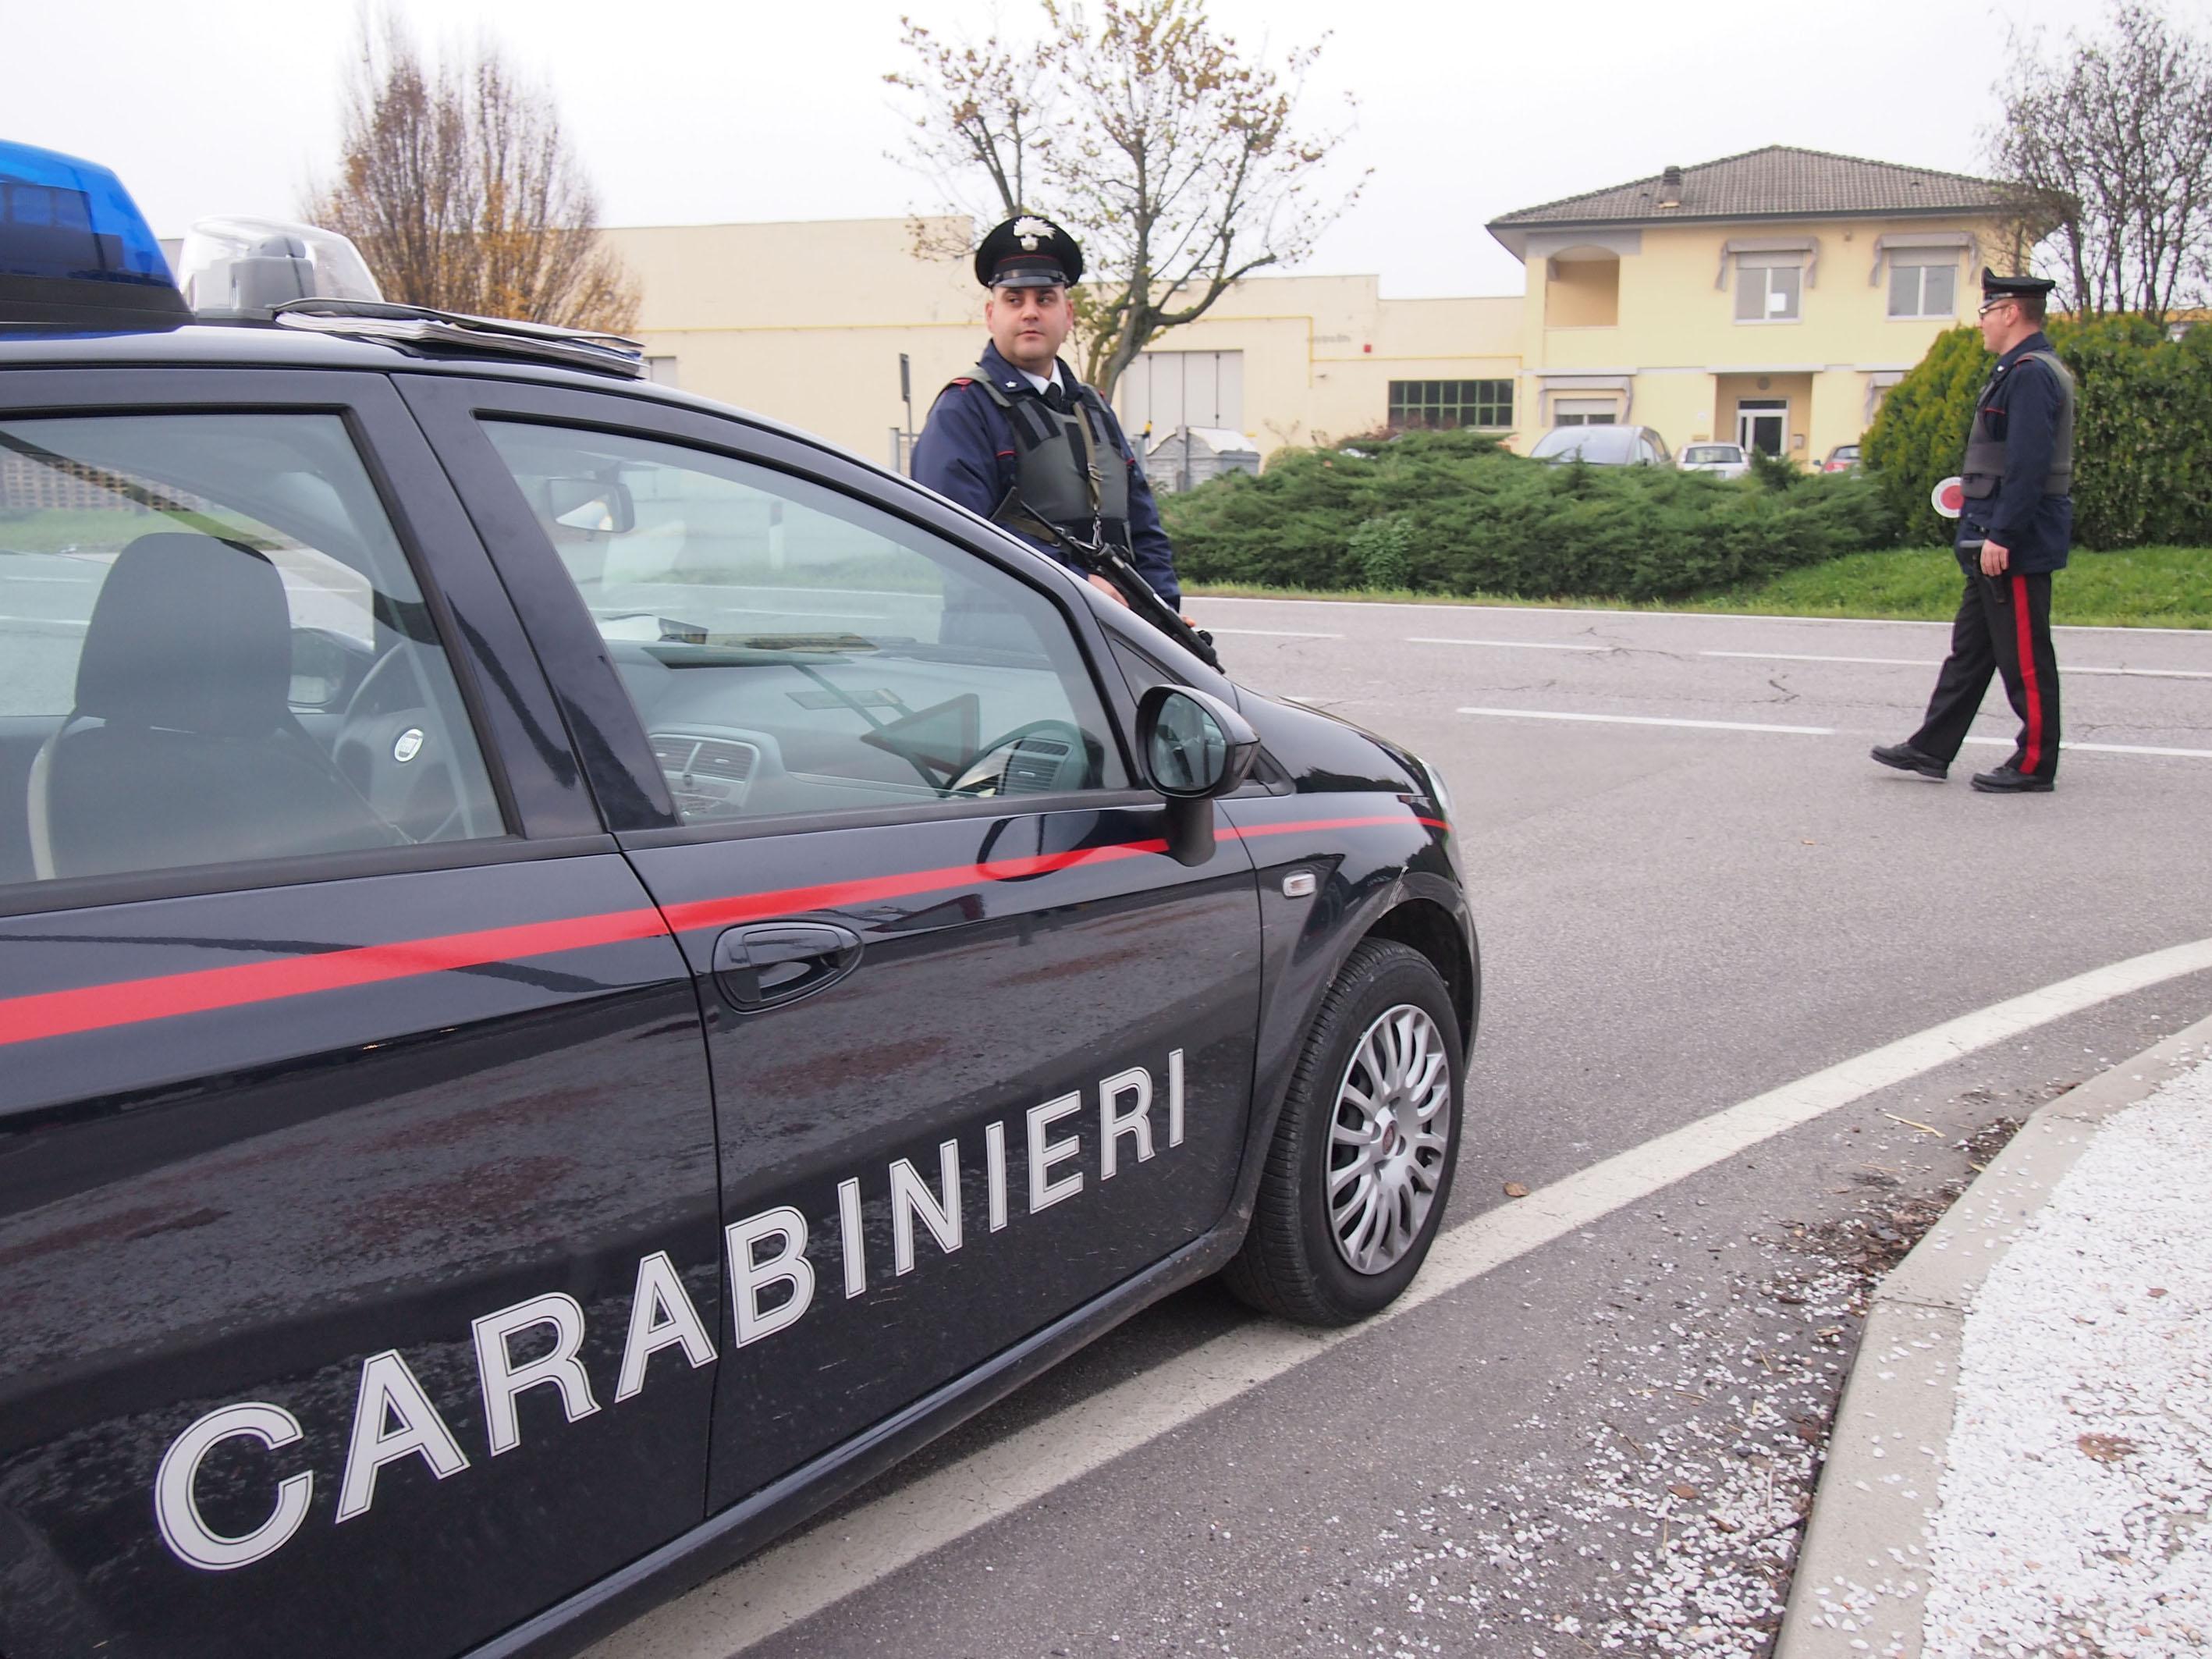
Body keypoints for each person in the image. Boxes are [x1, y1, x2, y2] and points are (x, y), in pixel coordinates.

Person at [911, 214, 1187, 621]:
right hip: (1007, 644)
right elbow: (959, 541)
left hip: (1103, 642)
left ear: (1068, 314)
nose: (1030, 313)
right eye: (1014, 300)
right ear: (991, 314)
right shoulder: (966, 409)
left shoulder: (1093, 408)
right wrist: (1078, 584)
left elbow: (1143, 530)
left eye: (1044, 298)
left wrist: (1162, 614)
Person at [1873, 271, 2075, 794]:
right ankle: (1931, 748)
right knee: (1970, 652)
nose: (1980, 322)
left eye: (1986, 312)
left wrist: (2004, 536)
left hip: (2013, 541)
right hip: (1992, 533)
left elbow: (2028, 464)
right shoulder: (2014, 371)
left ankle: (2034, 764)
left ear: (2009, 312)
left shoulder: (2030, 374)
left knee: (2024, 656)